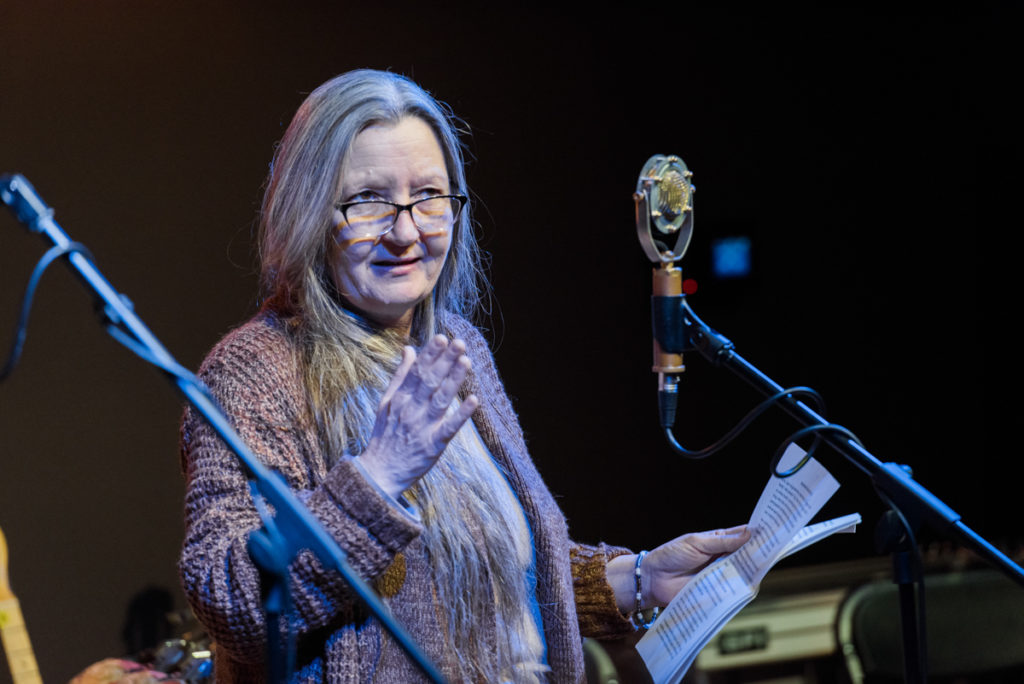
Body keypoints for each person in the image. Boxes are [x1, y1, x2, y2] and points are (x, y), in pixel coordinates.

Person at [178, 68, 750, 683]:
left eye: (429, 197)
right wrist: (377, 476)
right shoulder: (253, 373)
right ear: (311, 211)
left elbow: (496, 582)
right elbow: (231, 604)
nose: (406, 231)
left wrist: (639, 580)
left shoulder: (456, 344)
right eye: (368, 200)